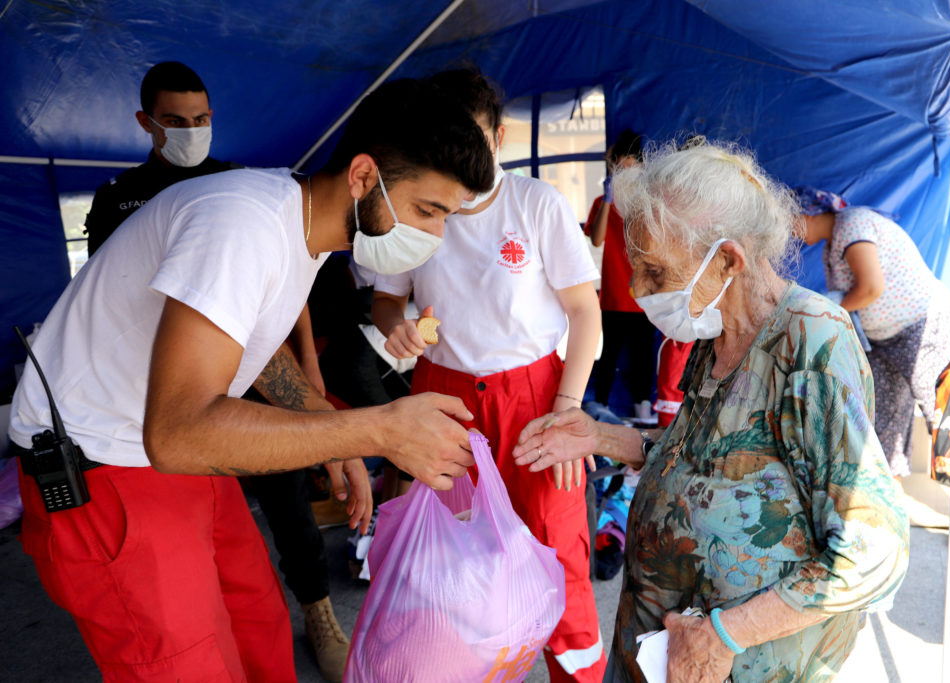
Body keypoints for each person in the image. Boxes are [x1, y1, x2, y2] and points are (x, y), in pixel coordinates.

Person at [7, 77, 494, 681]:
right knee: (187, 662)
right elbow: (178, 434)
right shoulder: (241, 223)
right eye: (428, 211)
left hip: (176, 447)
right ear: (364, 177)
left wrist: (326, 421)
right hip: (108, 463)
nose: (435, 236)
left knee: (257, 621)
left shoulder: (299, 222)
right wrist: (374, 432)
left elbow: (247, 344)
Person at [513, 141, 909, 682]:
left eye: (654, 270)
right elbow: (704, 460)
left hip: (739, 662)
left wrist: (726, 635)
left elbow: (873, 549)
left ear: (727, 260)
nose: (635, 287)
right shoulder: (717, 331)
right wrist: (598, 437)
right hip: (665, 649)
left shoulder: (811, 343)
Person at [83, 60, 348, 681]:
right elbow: (112, 298)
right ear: (146, 122)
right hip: (172, 387)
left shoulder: (237, 183)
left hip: (254, 369)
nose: (192, 132)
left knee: (288, 494)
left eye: (202, 120)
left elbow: (289, 287)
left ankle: (319, 611)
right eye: (176, 122)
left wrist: (308, 367)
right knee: (191, 547)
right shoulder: (118, 197)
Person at [371, 67, 606, 682]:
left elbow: (585, 313)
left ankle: (575, 672)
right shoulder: (419, 207)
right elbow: (387, 300)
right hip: (443, 400)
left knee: (557, 550)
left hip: (536, 399)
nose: (461, 160)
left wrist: (568, 407)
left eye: (472, 141)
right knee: (451, 562)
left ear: (498, 137)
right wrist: (396, 322)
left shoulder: (536, 205)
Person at [796, 186, 950, 478]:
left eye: (788, 223)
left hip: (920, 327)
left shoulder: (852, 224)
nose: (790, 234)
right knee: (880, 420)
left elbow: (871, 288)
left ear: (806, 214)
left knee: (942, 408)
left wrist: (835, 310)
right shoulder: (831, 244)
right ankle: (886, 499)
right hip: (881, 338)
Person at [584, 130, 657, 423]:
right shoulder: (605, 201)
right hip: (613, 294)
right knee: (608, 356)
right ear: (612, 167)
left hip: (644, 295)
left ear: (641, 166)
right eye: (620, 167)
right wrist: (607, 201)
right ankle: (600, 405)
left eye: (631, 166)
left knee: (643, 357)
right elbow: (597, 240)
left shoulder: (648, 203)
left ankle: (642, 406)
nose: (626, 172)